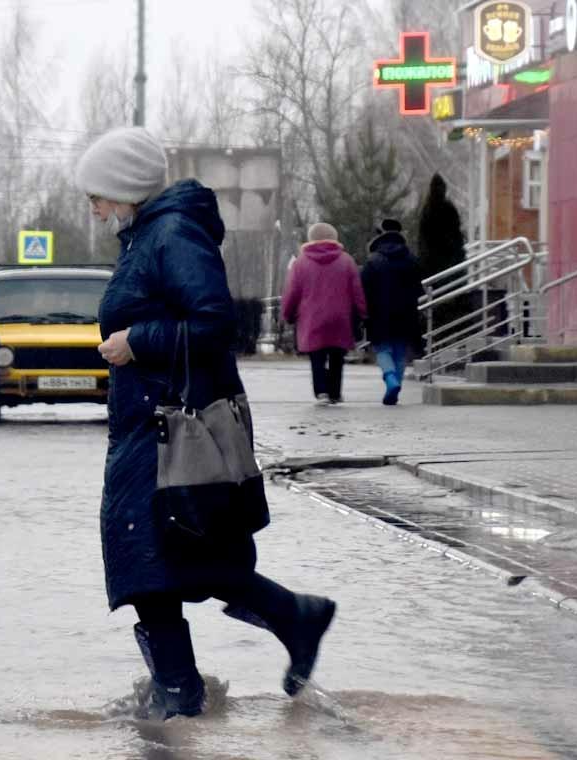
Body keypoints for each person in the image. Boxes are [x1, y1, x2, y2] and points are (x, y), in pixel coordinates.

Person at [75, 126, 337, 721]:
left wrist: (137, 341)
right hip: (148, 423)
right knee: (161, 556)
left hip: (170, 426)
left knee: (157, 554)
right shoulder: (146, 236)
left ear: (122, 188)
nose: (90, 204)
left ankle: (181, 695)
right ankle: (275, 629)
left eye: (96, 192)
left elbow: (216, 323)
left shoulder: (171, 234)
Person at [281, 223, 367, 405]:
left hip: (311, 318)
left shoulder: (300, 263)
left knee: (316, 357)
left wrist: (287, 314)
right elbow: (357, 291)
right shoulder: (346, 261)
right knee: (337, 356)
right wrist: (362, 312)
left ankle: (321, 393)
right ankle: (335, 393)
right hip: (340, 317)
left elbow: (292, 292)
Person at [362, 219, 423, 405]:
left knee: (383, 349)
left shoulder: (373, 261)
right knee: (399, 352)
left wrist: (364, 313)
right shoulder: (411, 260)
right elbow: (418, 289)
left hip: (379, 313)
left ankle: (390, 379)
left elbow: (364, 289)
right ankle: (396, 387)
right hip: (406, 313)